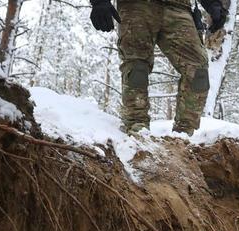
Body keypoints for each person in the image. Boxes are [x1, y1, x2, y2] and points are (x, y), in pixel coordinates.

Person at [89, 0, 225, 134]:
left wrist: (213, 3)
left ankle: (183, 135)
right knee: (137, 66)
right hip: (136, 5)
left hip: (179, 7)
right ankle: (136, 128)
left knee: (198, 70)